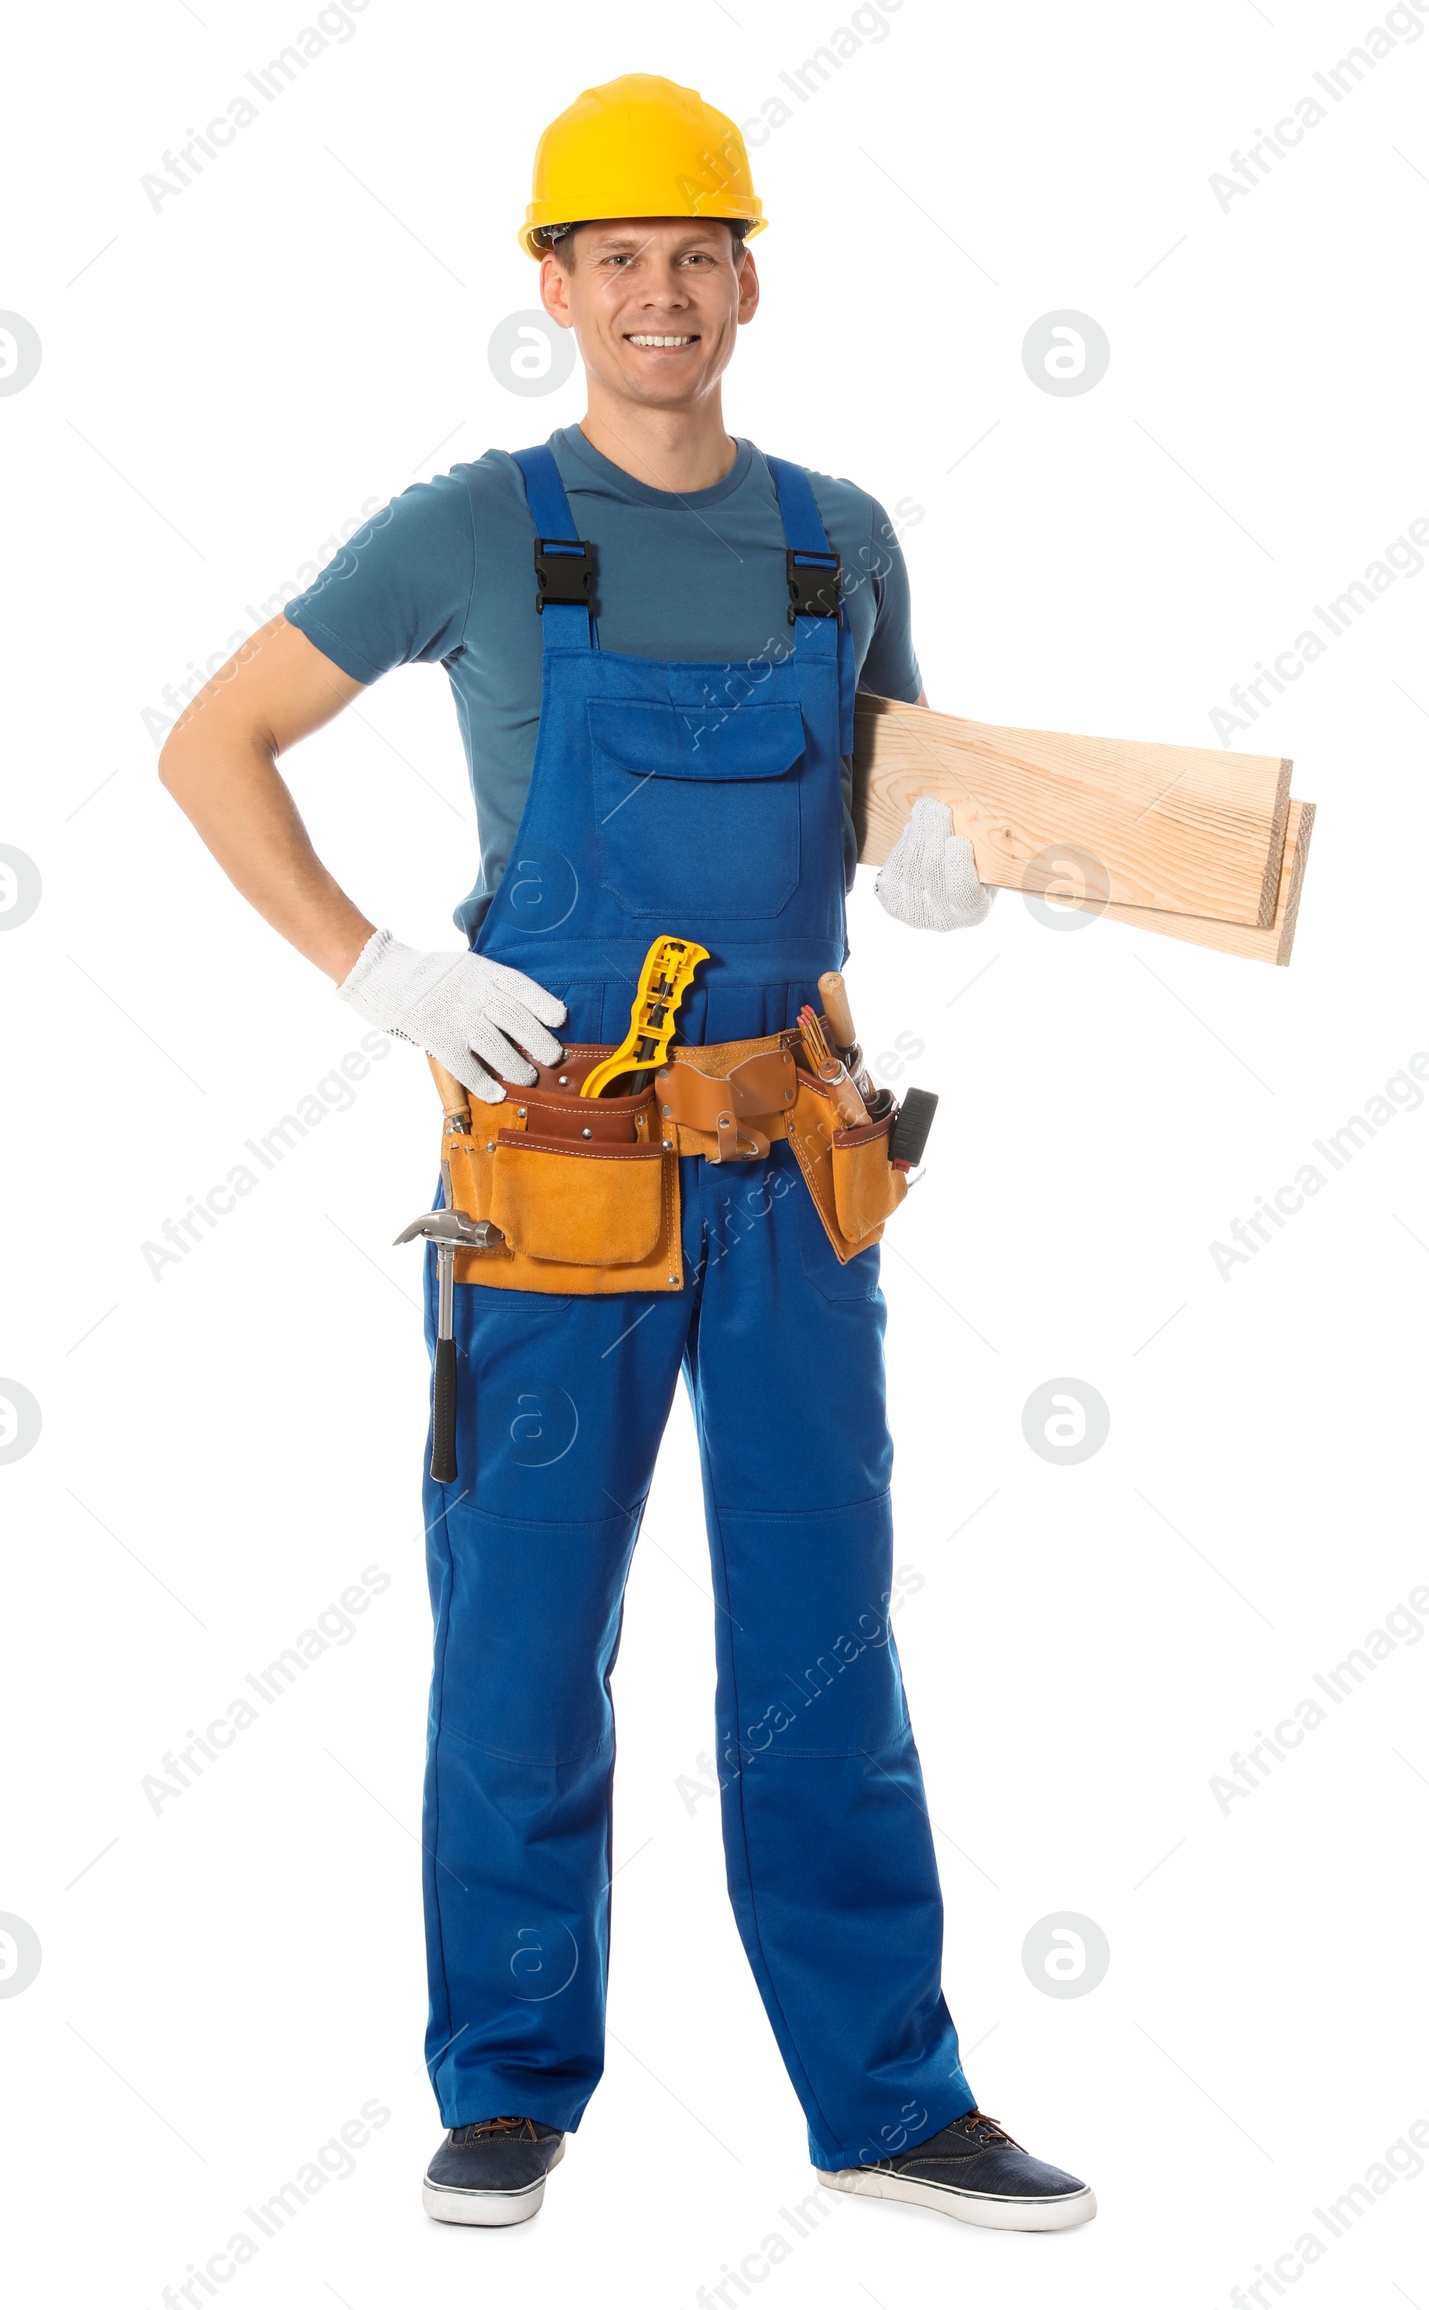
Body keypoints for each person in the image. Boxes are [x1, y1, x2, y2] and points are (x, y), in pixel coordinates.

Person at [159, 71, 1095, 2237]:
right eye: (617, 260)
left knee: (817, 1652)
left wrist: (934, 858)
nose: (658, 294)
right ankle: (505, 2089)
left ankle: (887, 2103)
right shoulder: (476, 527)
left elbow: (889, 788)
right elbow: (213, 745)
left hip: (793, 1183)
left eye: (696, 255)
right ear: (554, 287)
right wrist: (372, 968)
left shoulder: (834, 533)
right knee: (517, 1646)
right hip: (554, 1180)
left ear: (745, 280)